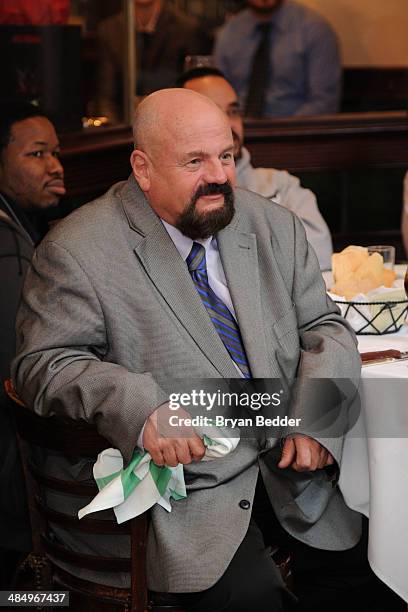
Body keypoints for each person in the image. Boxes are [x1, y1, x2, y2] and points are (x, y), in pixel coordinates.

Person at [12, 89, 400, 611]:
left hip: (292, 484)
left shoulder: (271, 226)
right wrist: (140, 405)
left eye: (225, 156)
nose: (218, 176)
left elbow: (325, 325)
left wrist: (319, 419)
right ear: (142, 168)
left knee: (382, 587)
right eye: (195, 161)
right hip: (183, 505)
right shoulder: (78, 249)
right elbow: (43, 364)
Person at [176, 66, 333, 270]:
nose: (228, 124)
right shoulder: (175, 193)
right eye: (212, 112)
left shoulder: (282, 185)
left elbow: (317, 259)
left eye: (233, 112)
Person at [0, 101, 65, 588]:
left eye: (56, 152)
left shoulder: (28, 230)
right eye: (37, 154)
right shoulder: (8, 247)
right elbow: (22, 374)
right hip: (21, 478)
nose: (55, 165)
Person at [214, 0, 341, 118]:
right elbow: (218, 96)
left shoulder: (314, 29)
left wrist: (287, 131)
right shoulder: (229, 33)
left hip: (296, 133)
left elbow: (324, 102)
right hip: (239, 131)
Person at [96, 0, 211, 121]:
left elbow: (195, 92)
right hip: (125, 125)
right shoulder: (109, 30)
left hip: (174, 122)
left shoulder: (187, 29)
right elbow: (105, 94)